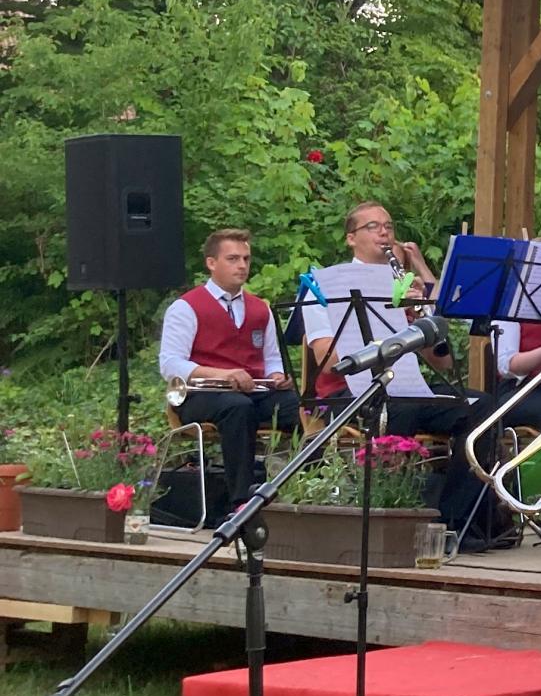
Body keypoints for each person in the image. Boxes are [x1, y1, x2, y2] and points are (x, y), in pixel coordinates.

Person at [303, 201, 500, 545]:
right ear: (351, 238)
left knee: (482, 408)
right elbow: (326, 357)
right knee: (398, 409)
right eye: (373, 227)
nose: (384, 233)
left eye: (389, 226)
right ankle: (385, 516)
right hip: (348, 392)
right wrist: (389, 332)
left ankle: (451, 519)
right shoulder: (325, 284)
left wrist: (416, 322)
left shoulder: (404, 285)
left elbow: (443, 365)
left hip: (407, 389)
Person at [157, 228, 298, 507]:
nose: (243, 265)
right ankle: (241, 500)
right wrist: (222, 374)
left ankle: (305, 490)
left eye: (246, 259)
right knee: (236, 408)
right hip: (200, 395)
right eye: (233, 259)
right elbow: (170, 363)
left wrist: (277, 376)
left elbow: (271, 357)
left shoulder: (261, 309)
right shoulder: (186, 307)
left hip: (254, 392)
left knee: (304, 408)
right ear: (211, 263)